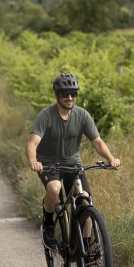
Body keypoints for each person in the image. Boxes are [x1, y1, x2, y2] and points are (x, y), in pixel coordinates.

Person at [26, 72, 121, 248]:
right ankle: (47, 222)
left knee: (85, 200)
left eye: (73, 93)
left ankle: (84, 244)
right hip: (48, 163)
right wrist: (34, 161)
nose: (70, 98)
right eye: (65, 94)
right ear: (57, 95)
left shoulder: (82, 115)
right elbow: (32, 143)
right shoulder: (46, 115)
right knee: (54, 189)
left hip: (73, 164)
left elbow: (98, 142)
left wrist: (111, 158)